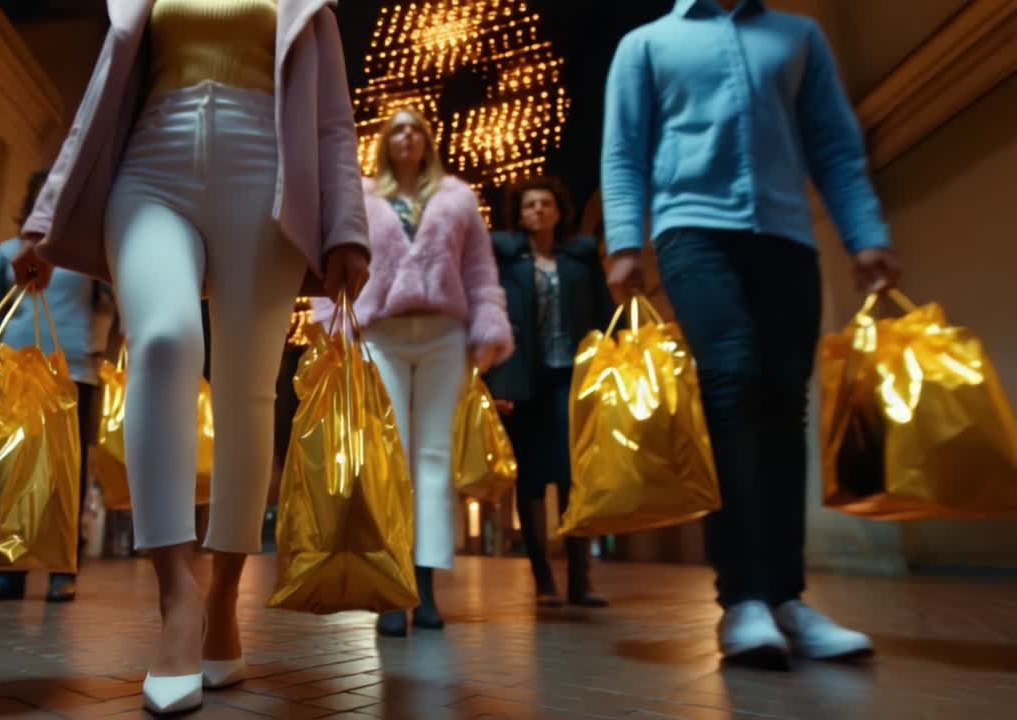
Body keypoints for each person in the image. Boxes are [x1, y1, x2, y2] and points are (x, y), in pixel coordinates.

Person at [11, 1, 371, 713]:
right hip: (151, 164)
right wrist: (48, 215)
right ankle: (177, 598)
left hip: (267, 172)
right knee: (167, 338)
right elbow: (96, 100)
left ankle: (226, 598)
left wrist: (348, 229)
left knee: (246, 390)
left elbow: (331, 121)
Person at [601, 0, 900, 667]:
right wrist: (625, 241)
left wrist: (866, 234)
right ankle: (743, 600)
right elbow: (624, 149)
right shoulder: (647, 44)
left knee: (783, 402)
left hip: (787, 236)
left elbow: (832, 144)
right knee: (731, 383)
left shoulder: (798, 36)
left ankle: (788, 600)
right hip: (691, 232)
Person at [318, 107, 513, 638]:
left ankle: (424, 586)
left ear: (428, 140)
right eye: (396, 129)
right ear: (383, 141)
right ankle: (391, 583)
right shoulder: (360, 195)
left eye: (415, 128)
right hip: (381, 331)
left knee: (432, 457)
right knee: (389, 454)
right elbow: (339, 259)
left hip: (443, 333)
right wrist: (335, 327)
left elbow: (478, 268)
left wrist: (488, 327)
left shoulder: (457, 197)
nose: (406, 136)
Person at [0, 169, 112, 605]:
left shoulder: (88, 254)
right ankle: (7, 573)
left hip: (72, 372)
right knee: (8, 473)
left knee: (65, 478)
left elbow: (113, 303)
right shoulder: (6, 252)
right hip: (13, 370)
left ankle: (62, 571)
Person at [486, 176, 613, 609]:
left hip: (573, 379)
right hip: (525, 381)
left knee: (575, 479)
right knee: (532, 480)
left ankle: (581, 578)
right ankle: (542, 577)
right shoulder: (507, 261)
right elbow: (495, 323)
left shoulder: (580, 261)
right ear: (519, 215)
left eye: (545, 203)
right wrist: (496, 384)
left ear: (559, 211)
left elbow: (605, 316)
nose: (538, 210)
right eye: (529, 205)